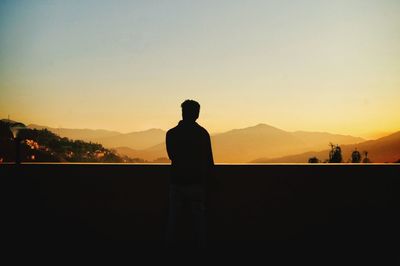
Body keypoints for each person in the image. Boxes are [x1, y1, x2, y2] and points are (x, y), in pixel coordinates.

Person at [165, 99, 214, 248]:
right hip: (196, 183)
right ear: (197, 114)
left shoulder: (171, 134)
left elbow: (172, 156)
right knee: (199, 222)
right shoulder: (202, 134)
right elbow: (208, 160)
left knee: (173, 220)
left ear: (183, 112)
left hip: (176, 182)